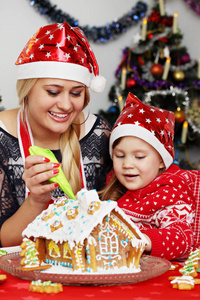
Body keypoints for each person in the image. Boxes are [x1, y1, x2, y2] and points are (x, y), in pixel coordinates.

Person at [0, 22, 112, 247]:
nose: (65, 105)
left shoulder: (98, 133)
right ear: (27, 90)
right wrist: (37, 200)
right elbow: (4, 242)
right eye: (53, 91)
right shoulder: (2, 137)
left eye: (76, 93)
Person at [100, 93, 195, 261]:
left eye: (139, 157)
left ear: (161, 160)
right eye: (120, 156)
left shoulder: (169, 192)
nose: (127, 164)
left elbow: (181, 238)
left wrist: (143, 240)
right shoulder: (114, 186)